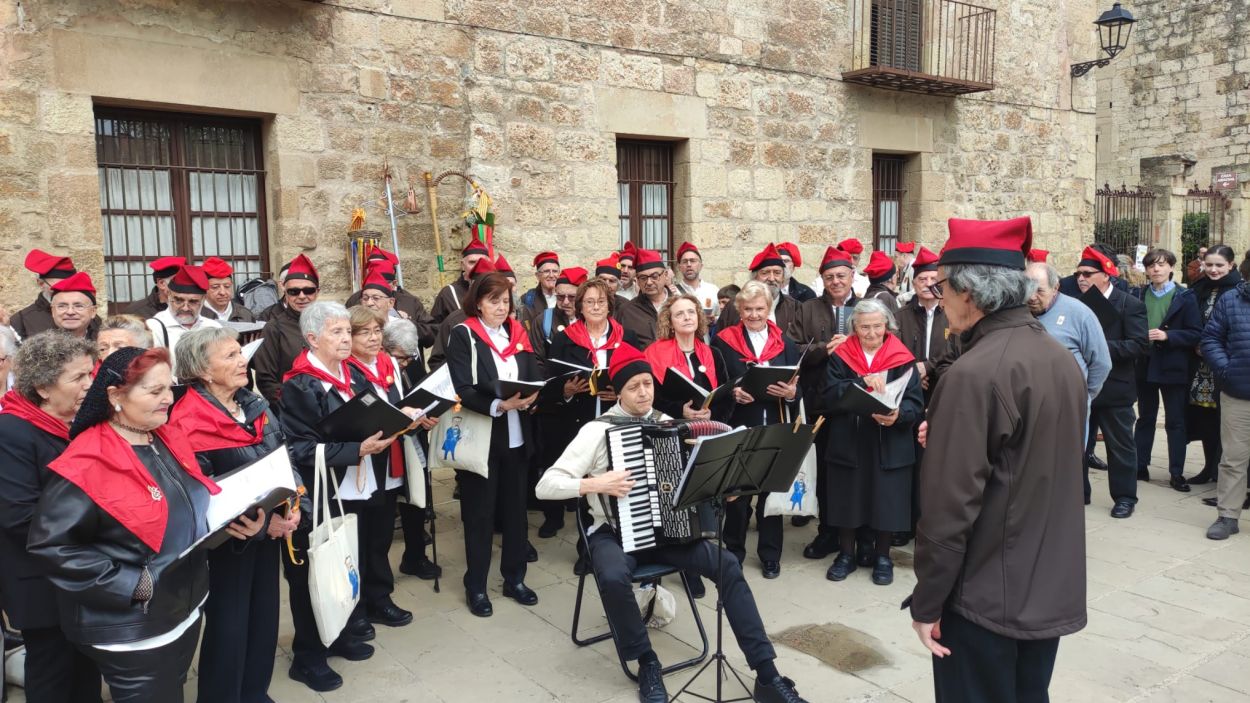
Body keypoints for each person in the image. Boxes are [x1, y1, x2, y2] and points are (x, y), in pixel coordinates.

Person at [535, 343, 810, 703]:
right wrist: (595, 483)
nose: (644, 392)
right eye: (634, 387)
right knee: (614, 576)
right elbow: (545, 486)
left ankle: (767, 675)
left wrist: (720, 490)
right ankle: (646, 661)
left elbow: (691, 482)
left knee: (727, 565)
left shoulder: (668, 425)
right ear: (618, 391)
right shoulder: (596, 431)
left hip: (670, 534)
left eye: (647, 384)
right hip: (614, 534)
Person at [908, 216, 1087, 703]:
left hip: (984, 594)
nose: (938, 297)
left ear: (969, 291)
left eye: (941, 285)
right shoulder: (1056, 355)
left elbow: (950, 509)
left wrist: (927, 603)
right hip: (1042, 584)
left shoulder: (973, 373)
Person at [28, 347, 241, 703]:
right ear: (115, 396)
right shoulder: (87, 461)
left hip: (181, 605)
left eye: (168, 388)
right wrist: (132, 583)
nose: (167, 399)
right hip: (133, 624)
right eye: (154, 391)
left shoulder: (162, 436)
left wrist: (234, 518)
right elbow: (51, 546)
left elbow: (187, 503)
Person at [167, 327, 302, 703]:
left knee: (264, 619)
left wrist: (291, 507)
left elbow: (283, 457)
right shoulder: (187, 420)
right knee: (229, 627)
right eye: (229, 356)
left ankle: (254, 692)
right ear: (202, 371)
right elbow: (203, 491)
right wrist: (262, 524)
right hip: (228, 543)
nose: (242, 360)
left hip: (268, 532)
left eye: (239, 353)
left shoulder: (252, 403)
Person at [277, 301, 391, 691]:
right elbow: (298, 450)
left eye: (347, 331)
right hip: (315, 492)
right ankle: (308, 655)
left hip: (348, 487)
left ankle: (338, 633)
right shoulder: (300, 384)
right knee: (312, 573)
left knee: (343, 564)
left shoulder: (349, 374)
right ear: (312, 338)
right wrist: (356, 450)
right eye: (337, 333)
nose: (347, 339)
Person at [0, 333, 100, 702]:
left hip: (79, 573)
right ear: (43, 387)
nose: (90, 385)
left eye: (90, 374)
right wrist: (101, 524)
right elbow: (20, 517)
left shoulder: (73, 424)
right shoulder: (11, 432)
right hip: (41, 584)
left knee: (85, 670)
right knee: (52, 674)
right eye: (78, 378)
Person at [444, 272, 542, 617]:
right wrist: (500, 405)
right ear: (478, 302)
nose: (501, 308)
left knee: (516, 512)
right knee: (480, 515)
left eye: (505, 301)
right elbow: (462, 388)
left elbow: (530, 376)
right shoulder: (465, 335)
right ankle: (477, 586)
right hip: (483, 436)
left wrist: (533, 397)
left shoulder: (517, 334)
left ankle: (515, 578)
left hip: (517, 435)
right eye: (493, 301)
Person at [822, 299, 923, 586]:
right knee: (848, 498)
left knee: (885, 499)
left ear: (887, 326)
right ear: (854, 327)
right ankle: (845, 555)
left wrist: (900, 415)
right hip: (850, 439)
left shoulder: (901, 357)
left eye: (877, 326)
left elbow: (916, 401)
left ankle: (882, 556)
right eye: (864, 327)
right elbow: (828, 394)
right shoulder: (842, 355)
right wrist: (861, 384)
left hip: (888, 440)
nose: (871, 333)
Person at [343, 307, 429, 629]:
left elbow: (399, 402)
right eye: (364, 332)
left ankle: (381, 597)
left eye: (377, 330)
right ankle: (358, 605)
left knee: (380, 536)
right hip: (362, 463)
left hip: (389, 458)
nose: (373, 337)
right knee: (360, 538)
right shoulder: (345, 370)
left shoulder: (388, 362)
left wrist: (417, 417)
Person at [711, 281, 801, 579]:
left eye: (759, 308)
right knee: (737, 494)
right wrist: (733, 392)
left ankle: (770, 554)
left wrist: (790, 394)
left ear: (769, 309)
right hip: (740, 423)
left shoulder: (785, 343)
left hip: (774, 423)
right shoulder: (723, 342)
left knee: (770, 494)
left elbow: (798, 389)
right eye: (747, 309)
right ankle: (733, 551)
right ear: (738, 310)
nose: (753, 314)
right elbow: (717, 386)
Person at [787, 246, 859, 553]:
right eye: (829, 277)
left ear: (852, 275)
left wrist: (852, 345)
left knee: (858, 470)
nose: (836, 282)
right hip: (820, 402)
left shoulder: (866, 306)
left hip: (858, 403)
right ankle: (828, 531)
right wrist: (823, 349)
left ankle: (861, 535)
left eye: (841, 275)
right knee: (826, 472)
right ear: (822, 280)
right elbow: (793, 349)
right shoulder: (808, 308)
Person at [1075, 246, 1149, 517]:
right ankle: (1078, 493)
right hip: (1080, 387)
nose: (1081, 278)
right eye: (1078, 273)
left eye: (1087, 273)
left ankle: (1125, 497)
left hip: (1115, 388)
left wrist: (1098, 347)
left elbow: (1139, 345)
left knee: (1120, 447)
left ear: (1106, 275)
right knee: (1078, 445)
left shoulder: (1130, 304)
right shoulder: (1074, 303)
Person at [1131, 248, 1202, 491]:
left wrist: (1167, 336)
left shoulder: (1185, 296)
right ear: (1146, 269)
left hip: (1172, 365)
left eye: (1161, 264)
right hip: (1145, 364)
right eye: (1151, 265)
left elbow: (1195, 333)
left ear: (1171, 267)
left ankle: (1176, 473)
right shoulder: (1138, 294)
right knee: (1145, 418)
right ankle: (1140, 466)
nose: (1156, 269)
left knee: (1175, 421)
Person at [382, 318, 442, 580]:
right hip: (387, 446)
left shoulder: (411, 359)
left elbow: (422, 393)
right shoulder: (379, 364)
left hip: (414, 438)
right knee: (387, 510)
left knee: (417, 501)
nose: (405, 363)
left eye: (409, 358)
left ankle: (415, 556)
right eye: (401, 358)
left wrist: (427, 416)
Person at [1024, 262, 1112, 436]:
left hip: (1068, 411)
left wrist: (1081, 395)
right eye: (1027, 290)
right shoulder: (1017, 312)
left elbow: (1101, 363)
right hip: (1028, 410)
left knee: (1066, 460)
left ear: (1055, 287)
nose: (1032, 297)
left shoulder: (1080, 314)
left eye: (1040, 291)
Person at [1186, 245, 1242, 486]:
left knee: (1227, 423)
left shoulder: (1238, 291)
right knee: (1205, 419)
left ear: (1231, 265)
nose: (1213, 270)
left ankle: (1225, 475)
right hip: (1200, 367)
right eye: (1208, 265)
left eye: (1219, 265)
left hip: (1226, 365)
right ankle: (1209, 467)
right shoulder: (1198, 288)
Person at [1202, 262, 1250, 540]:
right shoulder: (1231, 300)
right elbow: (1211, 339)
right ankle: (1228, 515)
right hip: (1238, 393)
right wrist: (1226, 369)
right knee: (1233, 458)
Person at [253, 253, 321, 411]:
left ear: (317, 291)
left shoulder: (329, 323)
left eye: (308, 290)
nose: (302, 296)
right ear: (285, 292)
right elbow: (266, 380)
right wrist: (291, 406)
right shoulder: (273, 328)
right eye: (294, 292)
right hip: (292, 411)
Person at [145, 265, 223, 372]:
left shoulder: (213, 327)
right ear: (169, 295)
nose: (185, 308)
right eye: (178, 300)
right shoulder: (154, 327)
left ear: (203, 300)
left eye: (193, 302)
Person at [895, 247, 950, 393]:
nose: (928, 284)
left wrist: (928, 367)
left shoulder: (952, 315)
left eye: (933, 279)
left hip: (943, 389)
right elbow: (893, 353)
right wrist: (913, 374)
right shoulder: (900, 316)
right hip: (908, 391)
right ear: (914, 284)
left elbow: (957, 352)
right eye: (922, 279)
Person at [716, 243, 800, 334]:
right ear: (755, 277)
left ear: (783, 277)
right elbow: (719, 342)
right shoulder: (734, 306)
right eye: (765, 273)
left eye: (777, 273)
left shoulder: (795, 308)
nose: (771, 279)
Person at [11, 249, 77, 339]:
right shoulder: (21, 321)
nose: (63, 292)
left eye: (69, 286)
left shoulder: (88, 316)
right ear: (40, 283)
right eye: (56, 287)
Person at [617, 249, 672, 348]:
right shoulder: (627, 311)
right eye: (643, 278)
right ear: (637, 280)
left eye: (654, 276)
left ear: (666, 275)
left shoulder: (680, 305)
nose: (649, 282)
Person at [431, 235, 489, 325]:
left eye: (482, 262)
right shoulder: (448, 294)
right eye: (472, 262)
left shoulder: (498, 291)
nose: (477, 267)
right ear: (462, 265)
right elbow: (436, 331)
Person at [198, 256, 257, 323]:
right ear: (204, 288)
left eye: (227, 286)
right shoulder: (196, 315)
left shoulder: (245, 315)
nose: (222, 292)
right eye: (215, 287)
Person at [48, 271, 102, 340]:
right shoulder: (39, 346)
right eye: (62, 306)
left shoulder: (106, 344)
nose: (70, 312)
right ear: (52, 311)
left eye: (79, 306)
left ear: (93, 311)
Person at [675, 241, 722, 317]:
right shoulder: (673, 292)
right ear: (679, 267)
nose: (689, 265)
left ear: (701, 266)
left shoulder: (713, 290)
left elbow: (722, 318)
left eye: (693, 261)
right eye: (685, 261)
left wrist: (714, 319)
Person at [519, 251, 561, 323]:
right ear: (538, 276)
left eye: (555, 271)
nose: (551, 275)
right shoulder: (527, 299)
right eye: (546, 271)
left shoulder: (565, 298)